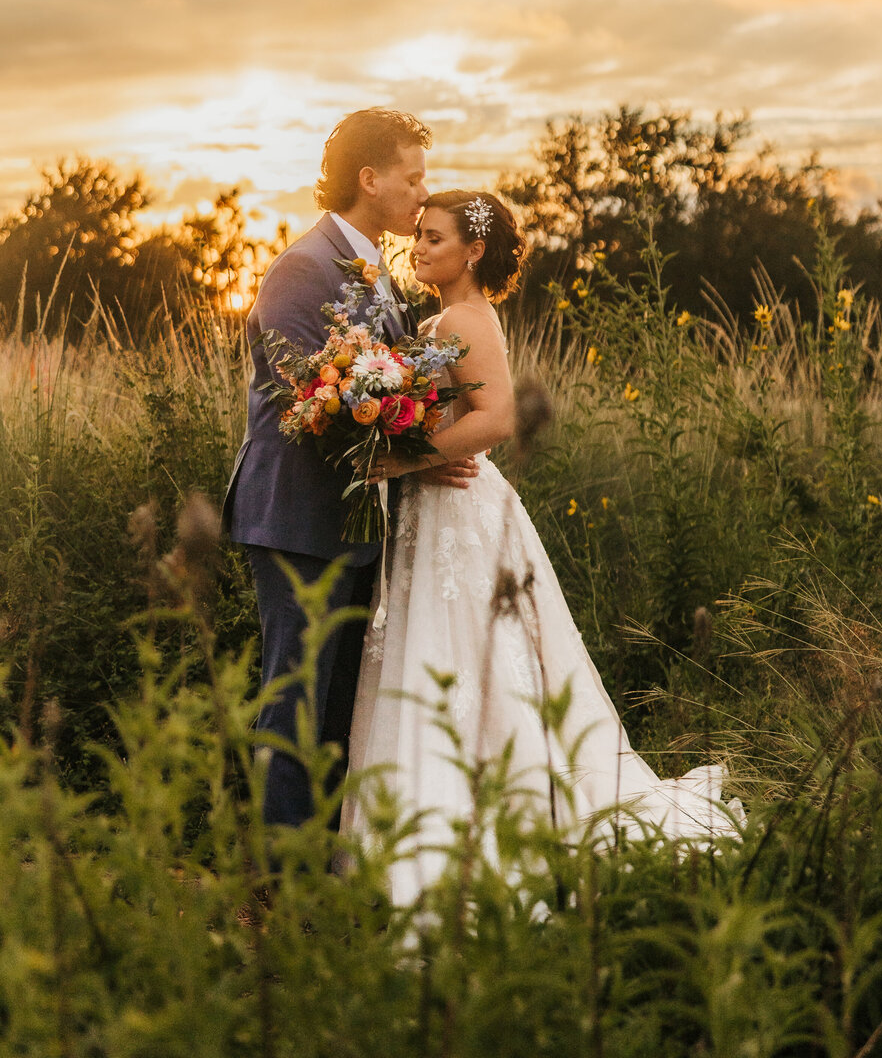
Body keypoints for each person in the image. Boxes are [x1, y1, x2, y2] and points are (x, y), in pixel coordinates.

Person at [342, 188, 731, 903]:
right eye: (419, 236)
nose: (420, 247)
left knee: (470, 654)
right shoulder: (446, 315)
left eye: (435, 238)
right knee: (441, 650)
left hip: (459, 507)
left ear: (474, 251)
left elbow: (496, 422)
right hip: (437, 507)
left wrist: (407, 460)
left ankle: (487, 821)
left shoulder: (464, 317)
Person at [222, 108, 479, 830]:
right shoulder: (302, 270)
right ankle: (277, 884)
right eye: (414, 177)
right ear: (370, 179)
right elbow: (307, 405)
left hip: (352, 523)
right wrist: (415, 465)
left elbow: (384, 390)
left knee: (338, 707)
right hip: (298, 520)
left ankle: (321, 871)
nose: (423, 195)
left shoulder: (378, 273)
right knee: (295, 700)